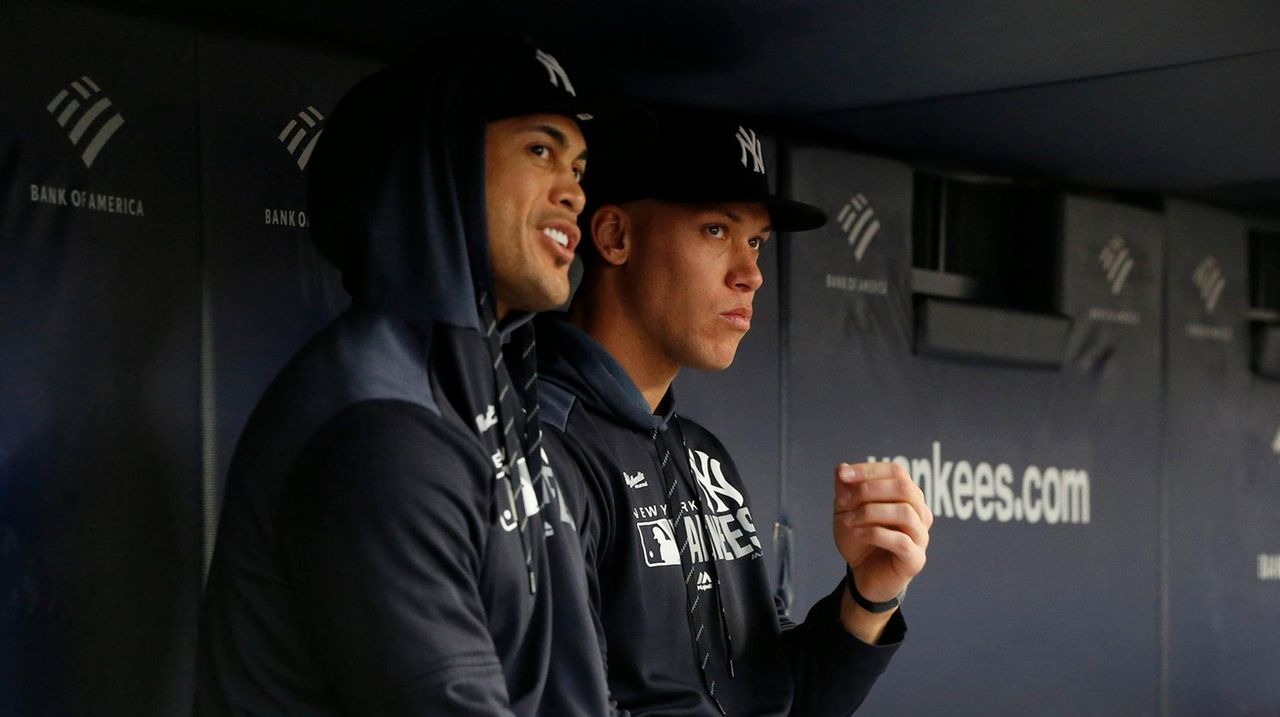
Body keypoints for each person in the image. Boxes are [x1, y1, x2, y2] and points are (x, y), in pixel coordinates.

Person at [195, 37, 645, 715]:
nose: (575, 191)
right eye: (540, 150)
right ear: (445, 167)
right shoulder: (379, 430)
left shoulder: (493, 384)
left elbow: (571, 687)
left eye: (580, 166)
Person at [537, 110, 933, 715]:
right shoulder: (539, 441)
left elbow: (778, 698)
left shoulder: (702, 456)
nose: (750, 275)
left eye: (755, 243)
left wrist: (870, 597)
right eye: (717, 230)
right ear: (615, 237)